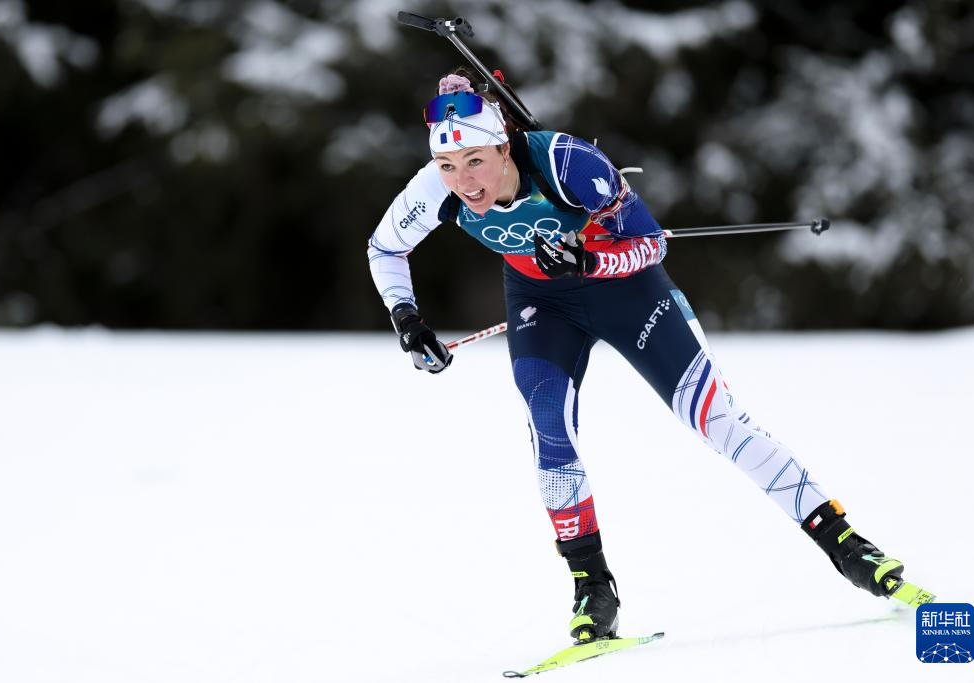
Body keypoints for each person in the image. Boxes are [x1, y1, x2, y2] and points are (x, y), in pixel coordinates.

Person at [367, 69, 923, 643]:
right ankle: (592, 589)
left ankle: (848, 546)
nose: (463, 182)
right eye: (447, 166)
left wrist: (590, 262)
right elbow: (384, 248)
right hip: (542, 302)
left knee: (715, 419)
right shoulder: (433, 190)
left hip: (627, 291)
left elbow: (651, 244)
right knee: (548, 426)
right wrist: (407, 320)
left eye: (475, 161)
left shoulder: (566, 162)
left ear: (504, 147)